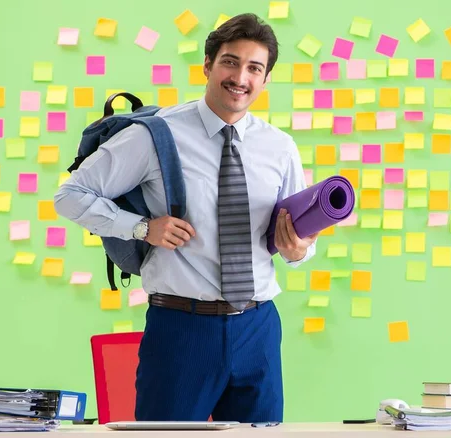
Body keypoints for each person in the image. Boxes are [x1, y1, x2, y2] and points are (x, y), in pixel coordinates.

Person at [54, 12, 317, 423]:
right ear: (208, 65)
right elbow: (70, 196)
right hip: (181, 328)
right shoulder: (156, 135)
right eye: (230, 61)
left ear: (266, 80)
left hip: (259, 328)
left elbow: (297, 243)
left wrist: (299, 250)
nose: (240, 77)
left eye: (254, 68)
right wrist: (142, 228)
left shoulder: (280, 148)